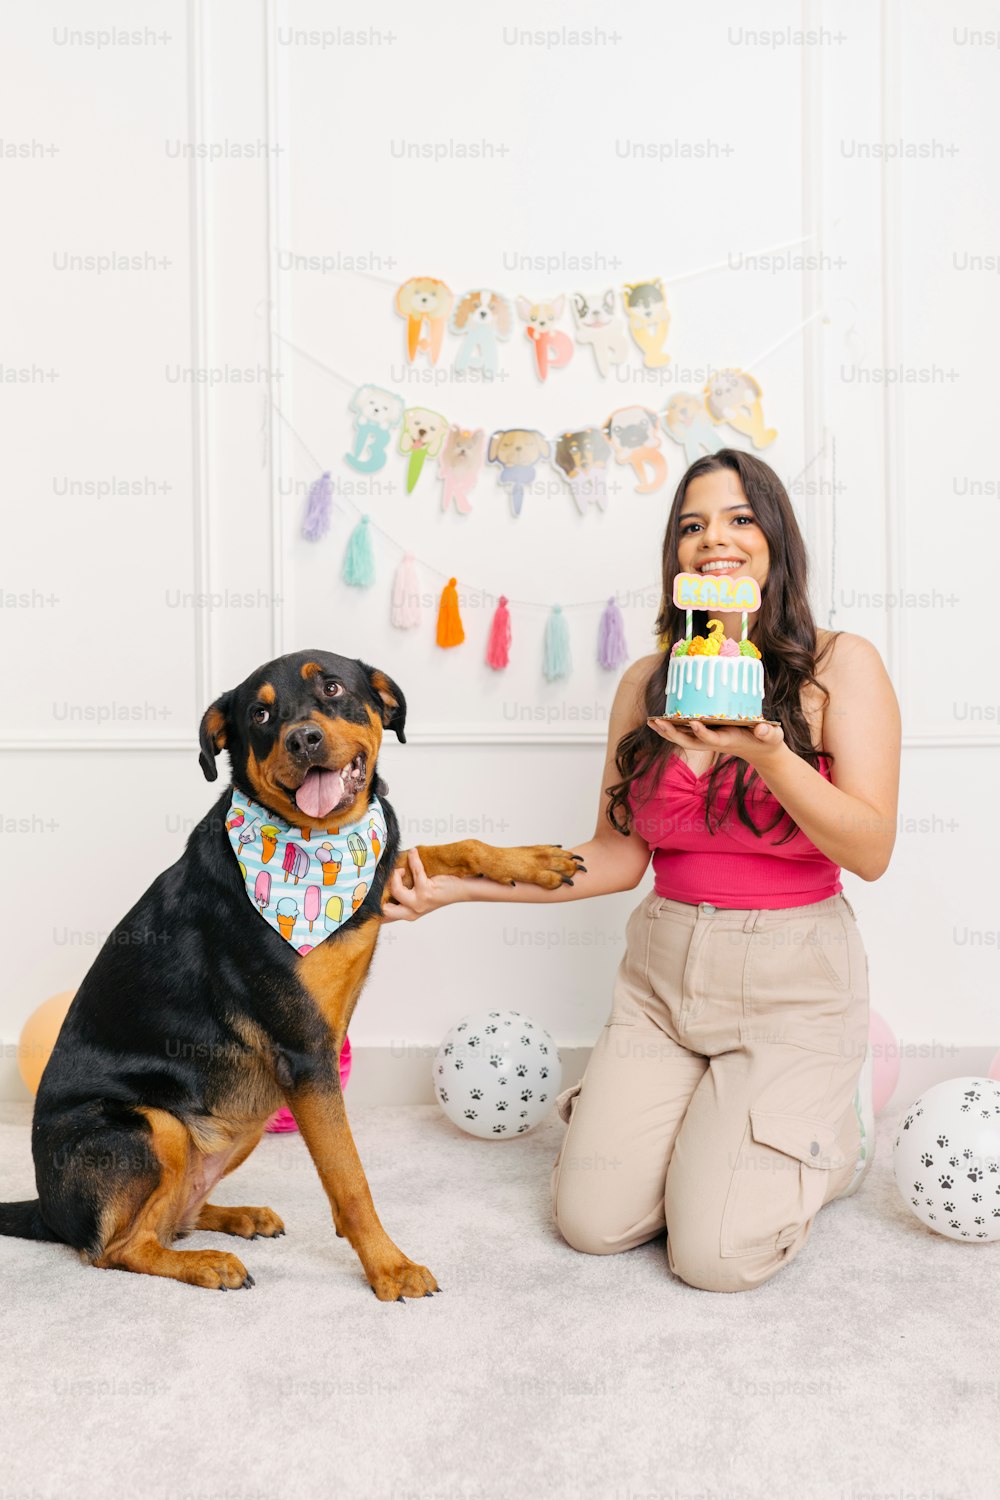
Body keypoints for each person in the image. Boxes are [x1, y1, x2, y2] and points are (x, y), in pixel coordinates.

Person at [383, 450, 901, 1293]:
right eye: (692, 526)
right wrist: (462, 885)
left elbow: (871, 849)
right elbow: (616, 855)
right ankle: (716, 1131)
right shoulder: (648, 683)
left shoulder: (840, 667)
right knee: (590, 1223)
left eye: (739, 519)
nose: (714, 541)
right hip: (662, 983)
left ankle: (831, 1131)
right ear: (675, 559)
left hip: (794, 985)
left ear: (777, 541)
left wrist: (767, 756)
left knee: (715, 1259)